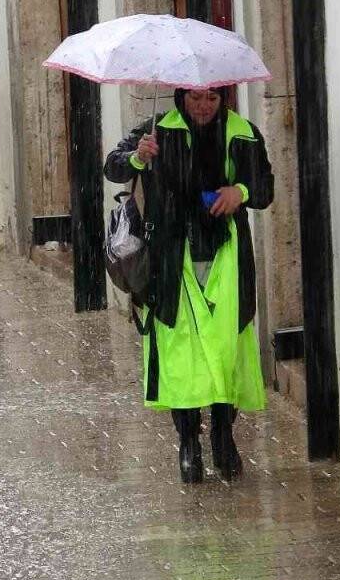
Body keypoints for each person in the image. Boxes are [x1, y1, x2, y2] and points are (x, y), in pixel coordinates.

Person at [104, 87, 274, 483]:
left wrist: (240, 192)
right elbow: (113, 167)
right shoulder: (156, 132)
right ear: (181, 97)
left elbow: (264, 187)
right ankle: (188, 442)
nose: (203, 107)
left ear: (223, 99)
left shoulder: (242, 133)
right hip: (171, 258)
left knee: (223, 349)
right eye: (196, 99)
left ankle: (222, 434)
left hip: (225, 258)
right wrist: (137, 156)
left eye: (212, 99)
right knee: (181, 354)